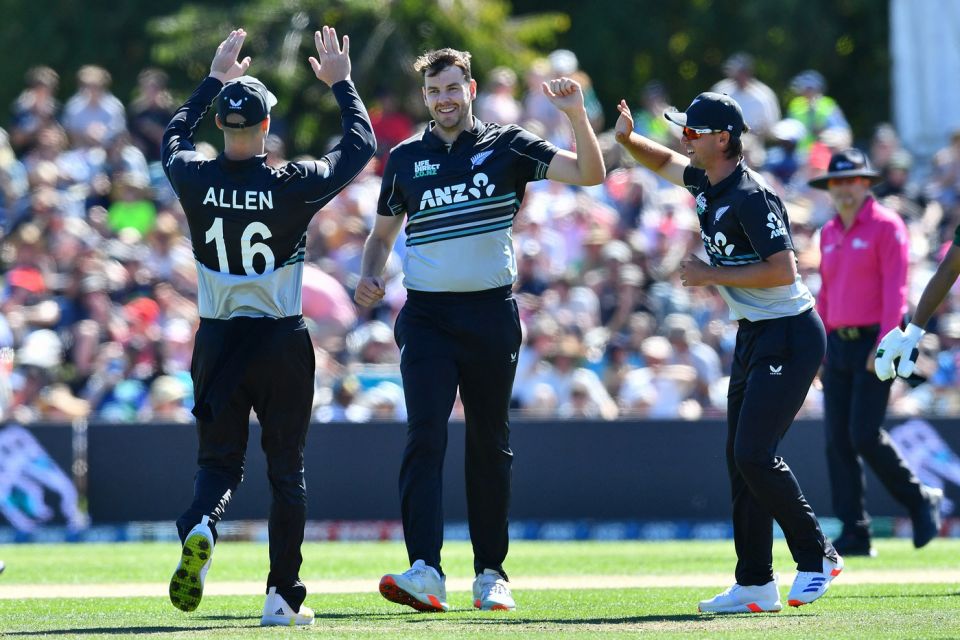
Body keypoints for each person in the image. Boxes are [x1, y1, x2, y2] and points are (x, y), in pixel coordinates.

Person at [354, 47, 604, 612]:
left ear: (470, 89)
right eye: (434, 91)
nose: (444, 99)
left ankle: (491, 573)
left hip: (491, 314)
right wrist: (370, 275)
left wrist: (576, 116)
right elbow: (381, 237)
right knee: (425, 436)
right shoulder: (405, 157)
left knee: (490, 443)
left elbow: (591, 173)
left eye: (452, 88)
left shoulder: (508, 144)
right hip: (427, 318)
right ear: (426, 97)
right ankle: (425, 570)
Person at [161, 26, 375, 625]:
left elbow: (172, 135)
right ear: (263, 128)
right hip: (281, 338)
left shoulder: (194, 177)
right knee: (288, 472)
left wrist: (211, 80)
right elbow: (359, 146)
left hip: (219, 337)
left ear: (224, 128)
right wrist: (342, 84)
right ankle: (281, 598)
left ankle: (202, 523)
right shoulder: (292, 183)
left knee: (218, 464)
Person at [614, 92, 841, 614]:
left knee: (753, 454)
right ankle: (755, 583)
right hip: (757, 332)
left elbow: (784, 269)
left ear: (722, 139)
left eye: (693, 132)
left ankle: (817, 553)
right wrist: (627, 140)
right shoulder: (708, 180)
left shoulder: (749, 195)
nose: (683, 139)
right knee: (740, 460)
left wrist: (710, 274)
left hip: (790, 332)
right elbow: (665, 161)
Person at [811, 148, 943, 557]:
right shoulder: (829, 231)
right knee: (837, 440)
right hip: (837, 343)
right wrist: (817, 346)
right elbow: (827, 293)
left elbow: (895, 289)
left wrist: (886, 341)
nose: (844, 189)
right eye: (837, 182)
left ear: (865, 183)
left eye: (851, 180)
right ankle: (854, 530)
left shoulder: (887, 226)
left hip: (873, 340)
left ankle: (920, 499)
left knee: (863, 434)